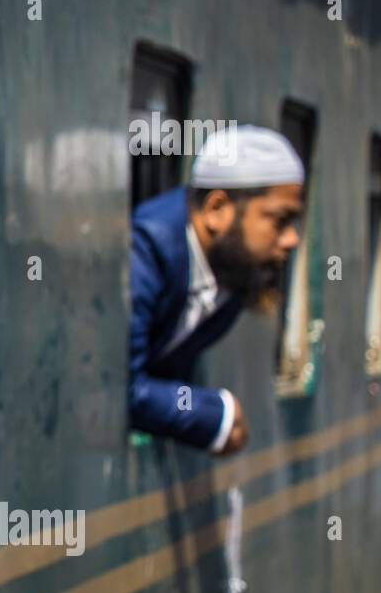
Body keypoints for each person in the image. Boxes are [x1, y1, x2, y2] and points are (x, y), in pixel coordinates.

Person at [128, 125, 305, 454]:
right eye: (280, 221)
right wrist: (216, 414)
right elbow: (119, 387)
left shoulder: (234, 269)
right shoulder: (144, 254)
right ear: (217, 209)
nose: (292, 239)